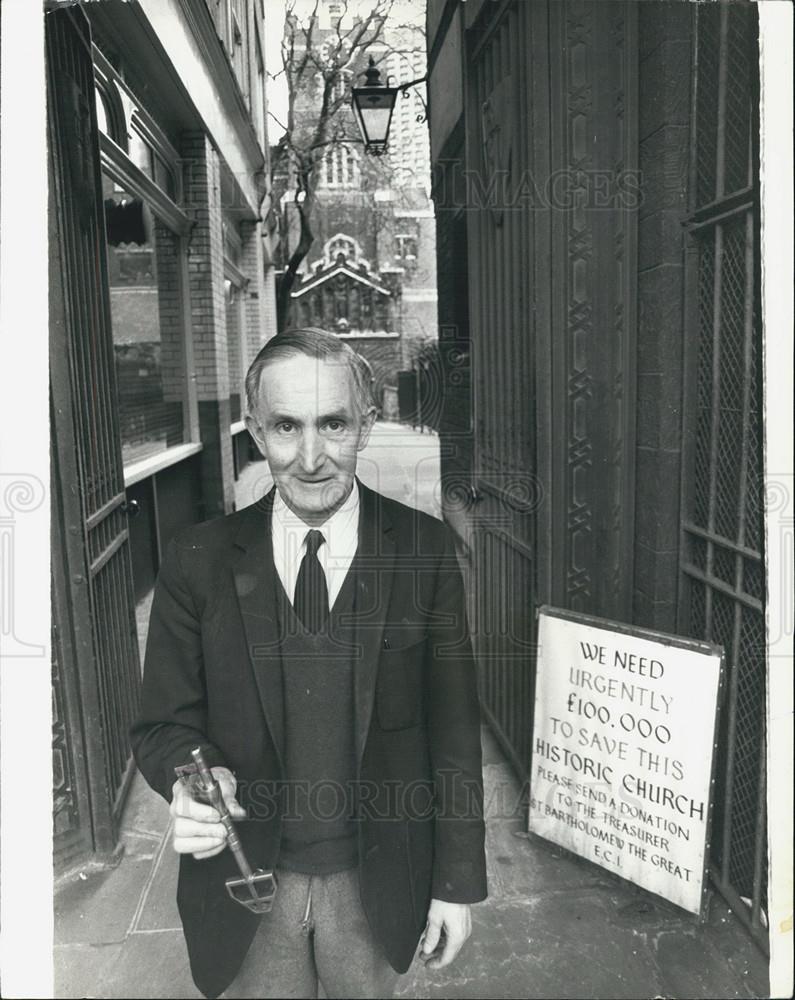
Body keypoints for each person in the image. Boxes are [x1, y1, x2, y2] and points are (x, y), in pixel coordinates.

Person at [130, 328, 487, 1000]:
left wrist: (455, 884)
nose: (313, 457)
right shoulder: (196, 561)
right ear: (256, 431)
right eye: (287, 427)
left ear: (368, 425)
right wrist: (187, 784)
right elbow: (162, 726)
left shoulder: (424, 550)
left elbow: (452, 732)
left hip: (377, 881)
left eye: (334, 424)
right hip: (247, 886)